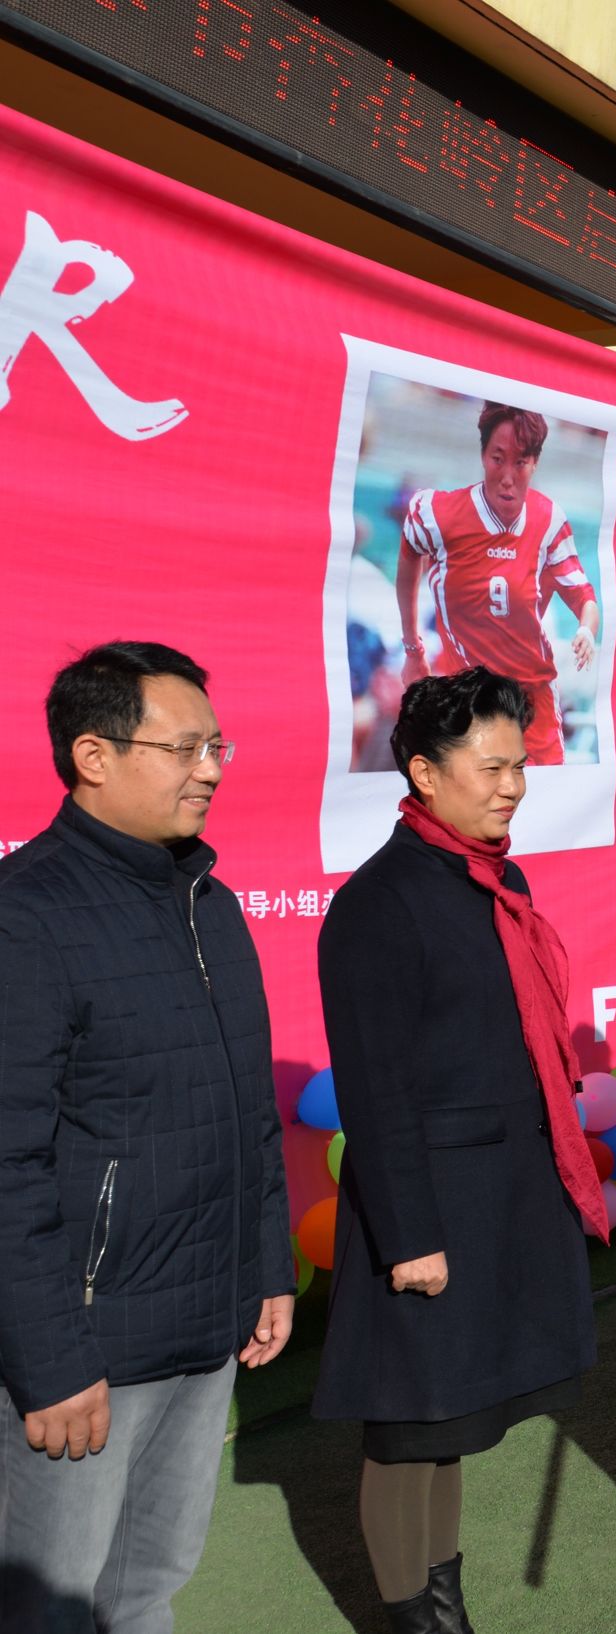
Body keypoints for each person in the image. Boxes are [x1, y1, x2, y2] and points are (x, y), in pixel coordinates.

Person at [0, 642, 292, 1633]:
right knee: (56, 1604)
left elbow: (248, 1111)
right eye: (185, 746)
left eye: (218, 744)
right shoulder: (25, 915)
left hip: (205, 1331)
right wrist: (49, 1360)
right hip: (86, 1357)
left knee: (149, 1589)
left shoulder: (213, 904)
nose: (210, 766)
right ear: (91, 753)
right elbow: (6, 1164)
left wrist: (265, 1271)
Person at [314, 667, 606, 1634]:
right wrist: (409, 1240)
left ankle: (446, 1605)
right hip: (428, 1210)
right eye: (491, 767)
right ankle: (413, 1620)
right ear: (424, 773)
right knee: (406, 1431)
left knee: (451, 1428)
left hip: (501, 1198)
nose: (513, 785)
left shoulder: (496, 880)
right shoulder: (379, 902)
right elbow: (376, 1090)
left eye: (519, 765)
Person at [395, 402, 601, 765]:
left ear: (534, 463)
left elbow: (584, 595)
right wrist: (413, 650)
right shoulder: (438, 515)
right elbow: (410, 552)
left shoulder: (548, 520)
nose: (507, 475)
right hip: (468, 696)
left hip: (532, 699)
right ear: (482, 455)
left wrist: (586, 629)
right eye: (497, 458)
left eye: (520, 462)